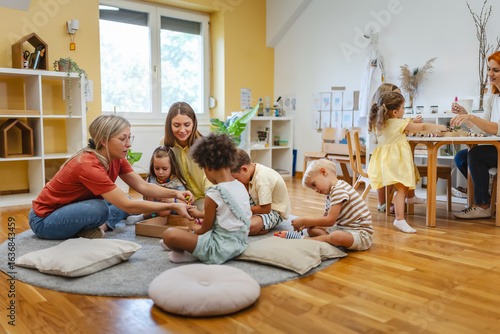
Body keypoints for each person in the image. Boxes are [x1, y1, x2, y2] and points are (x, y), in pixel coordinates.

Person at [29, 115, 194, 240]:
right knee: (101, 208)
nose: (128, 144)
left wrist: (175, 194)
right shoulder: (88, 165)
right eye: (123, 139)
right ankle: (97, 228)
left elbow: (142, 186)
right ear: (104, 141)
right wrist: (173, 206)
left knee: (120, 200)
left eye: (130, 138)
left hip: (72, 208)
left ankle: (98, 227)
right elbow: (128, 206)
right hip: (45, 220)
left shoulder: (117, 158)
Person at [161, 133, 252, 264]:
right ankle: (186, 245)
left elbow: (205, 229)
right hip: (240, 243)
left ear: (207, 167)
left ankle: (191, 253)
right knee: (189, 231)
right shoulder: (241, 186)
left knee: (169, 235)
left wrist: (189, 238)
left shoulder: (214, 193)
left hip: (218, 248)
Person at [367, 92, 447, 233]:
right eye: (403, 107)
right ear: (395, 112)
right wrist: (439, 126)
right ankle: (399, 219)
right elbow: (422, 128)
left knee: (402, 187)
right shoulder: (399, 123)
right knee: (402, 189)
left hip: (385, 161)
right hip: (395, 161)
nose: (404, 110)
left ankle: (409, 202)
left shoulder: (379, 123)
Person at [275, 159, 373, 251]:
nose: (316, 190)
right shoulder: (331, 193)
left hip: (361, 234)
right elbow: (324, 218)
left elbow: (330, 221)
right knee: (311, 229)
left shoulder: (339, 190)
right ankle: (328, 240)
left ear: (323, 172)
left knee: (336, 236)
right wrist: (307, 224)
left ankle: (307, 240)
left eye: (314, 184)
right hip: (344, 228)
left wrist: (304, 220)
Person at [451, 51, 500, 219]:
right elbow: (482, 129)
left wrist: (471, 117)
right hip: (496, 148)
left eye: (496, 70)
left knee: (476, 155)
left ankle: (481, 205)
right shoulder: (493, 97)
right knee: (461, 157)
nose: (490, 74)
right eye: (489, 69)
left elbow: (496, 129)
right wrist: (466, 114)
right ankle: (484, 198)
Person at [370, 83, 424, 213]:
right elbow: (393, 127)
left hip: (386, 156)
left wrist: (409, 124)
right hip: (385, 159)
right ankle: (383, 204)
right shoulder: (380, 120)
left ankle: (408, 198)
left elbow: (394, 126)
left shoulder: (383, 118)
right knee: (402, 166)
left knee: (407, 164)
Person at [161, 102, 212, 211]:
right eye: (176, 125)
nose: (182, 130)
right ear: (169, 125)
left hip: (205, 197)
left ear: (193, 124)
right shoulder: (164, 144)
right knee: (160, 202)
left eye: (187, 125)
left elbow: (211, 181)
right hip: (182, 196)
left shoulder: (205, 146)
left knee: (205, 210)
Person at [230, 148, 291, 235]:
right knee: (230, 222)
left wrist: (240, 210)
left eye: (236, 178)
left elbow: (266, 209)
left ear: (244, 169)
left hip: (273, 212)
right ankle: (261, 226)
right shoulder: (250, 173)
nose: (236, 181)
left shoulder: (262, 179)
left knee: (247, 227)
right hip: (257, 206)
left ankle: (262, 226)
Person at [125, 146, 188, 224]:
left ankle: (143, 216)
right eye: (157, 168)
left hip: (171, 212)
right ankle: (145, 215)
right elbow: (146, 197)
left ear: (172, 166)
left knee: (164, 211)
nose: (160, 172)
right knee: (149, 188)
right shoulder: (152, 178)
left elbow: (186, 204)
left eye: (164, 169)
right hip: (153, 209)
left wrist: (172, 200)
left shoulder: (177, 183)